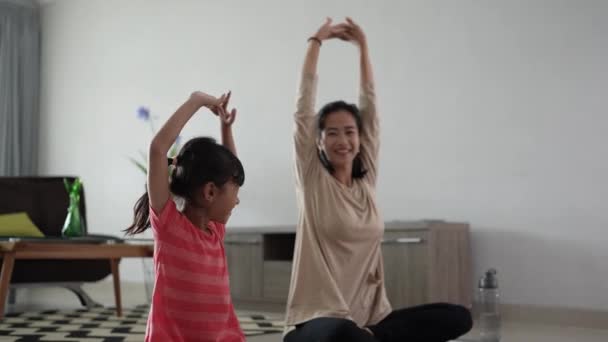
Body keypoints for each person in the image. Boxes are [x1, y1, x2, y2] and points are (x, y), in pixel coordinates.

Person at [284, 17, 473, 342]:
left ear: (359, 138)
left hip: (371, 320)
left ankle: (371, 337)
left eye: (349, 132)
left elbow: (370, 107)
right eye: (332, 133)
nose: (343, 140)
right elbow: (303, 110)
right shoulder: (313, 179)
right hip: (318, 322)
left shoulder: (366, 179)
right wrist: (316, 41)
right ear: (319, 141)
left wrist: (363, 48)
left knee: (459, 316)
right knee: (341, 334)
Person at [125, 90, 246, 342]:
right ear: (210, 191)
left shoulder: (214, 231)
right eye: (235, 192)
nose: (237, 200)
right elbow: (158, 149)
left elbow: (229, 171)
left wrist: (226, 129)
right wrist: (197, 101)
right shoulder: (169, 225)